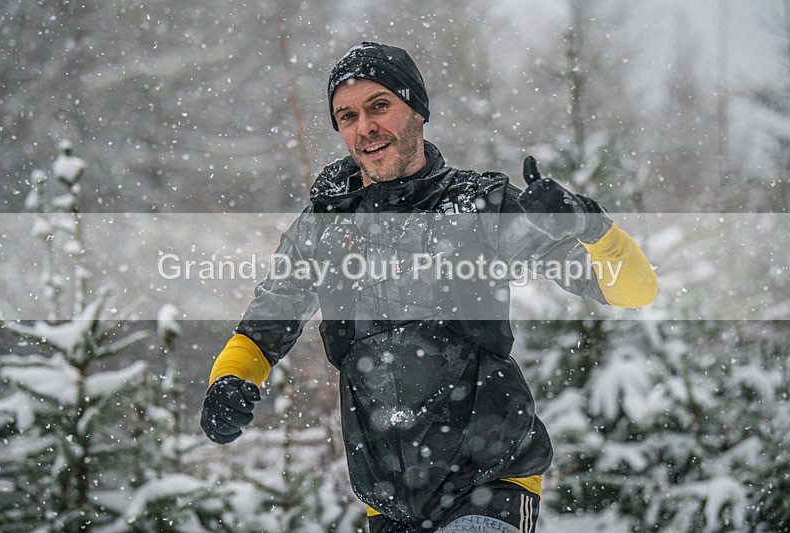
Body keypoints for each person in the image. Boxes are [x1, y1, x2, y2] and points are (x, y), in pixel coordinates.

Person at [200, 42, 658, 532]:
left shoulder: (480, 208)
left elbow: (634, 290)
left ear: (417, 111)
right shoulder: (325, 227)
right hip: (389, 507)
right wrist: (229, 381)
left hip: (489, 486)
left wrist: (591, 227)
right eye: (347, 116)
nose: (365, 128)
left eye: (380, 106)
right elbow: (265, 325)